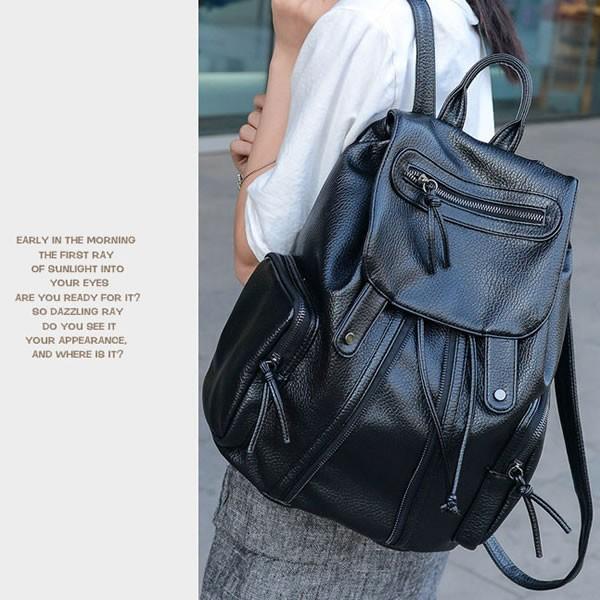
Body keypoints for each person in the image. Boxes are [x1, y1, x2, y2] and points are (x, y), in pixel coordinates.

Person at [202, 1, 524, 598]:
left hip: (312, 453)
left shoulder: (362, 25)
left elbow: (259, 262)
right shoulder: (457, 17)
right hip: (424, 452)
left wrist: (288, 50)